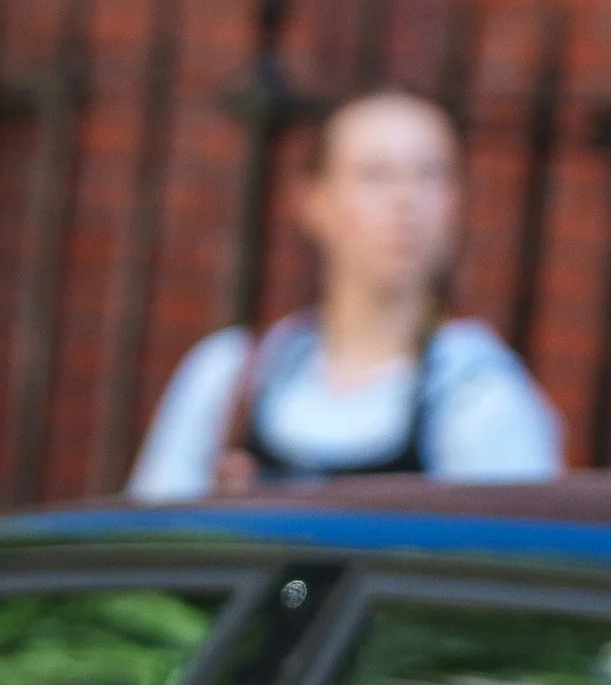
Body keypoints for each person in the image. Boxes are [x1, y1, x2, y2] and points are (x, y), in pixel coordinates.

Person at [129, 87, 564, 497]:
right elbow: (145, 547)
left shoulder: (479, 392)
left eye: (430, 174)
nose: (404, 200)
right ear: (314, 199)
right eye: (375, 175)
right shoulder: (231, 375)